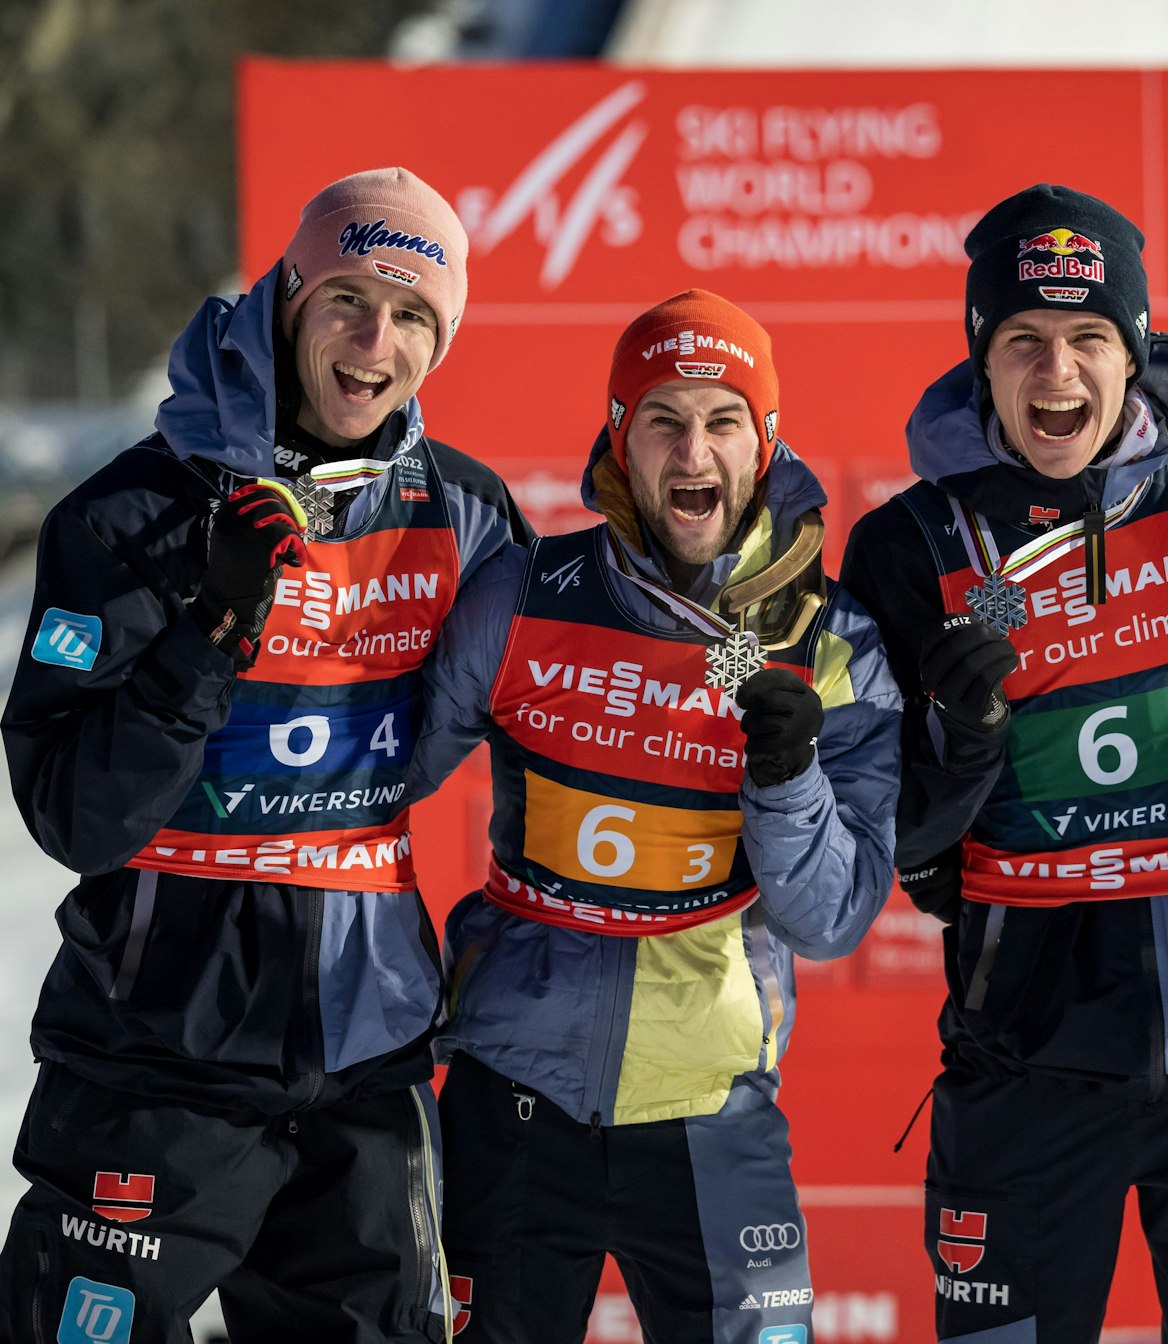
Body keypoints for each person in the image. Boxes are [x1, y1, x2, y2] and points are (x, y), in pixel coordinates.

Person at [0, 167, 530, 1342]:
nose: (371, 340)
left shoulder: (469, 518)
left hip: (367, 1066)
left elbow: (565, 719)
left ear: (438, 348)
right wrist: (209, 638)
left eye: (411, 318)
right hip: (159, 1051)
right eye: (346, 297)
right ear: (288, 297)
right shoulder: (130, 516)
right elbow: (74, 817)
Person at [840, 185, 1168, 1344]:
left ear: (1134, 348)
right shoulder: (907, 544)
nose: (1056, 374)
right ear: (980, 357)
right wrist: (962, 753)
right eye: (1023, 342)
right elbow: (891, 835)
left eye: (1089, 339)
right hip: (1027, 1054)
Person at [406, 288, 902, 1344]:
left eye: (724, 420)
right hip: (514, 1101)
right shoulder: (525, 593)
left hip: (712, 1111)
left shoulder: (831, 639)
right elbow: (379, 773)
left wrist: (786, 776)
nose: (694, 452)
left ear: (765, 443)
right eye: (663, 420)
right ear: (619, 438)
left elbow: (829, 921)